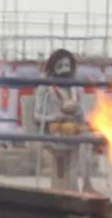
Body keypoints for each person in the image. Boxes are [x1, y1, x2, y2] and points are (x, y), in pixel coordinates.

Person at [33, 48, 93, 192]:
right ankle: (71, 187)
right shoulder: (45, 88)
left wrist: (78, 111)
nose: (64, 70)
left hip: (74, 128)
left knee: (89, 139)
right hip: (56, 130)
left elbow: (83, 114)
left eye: (67, 66)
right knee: (81, 141)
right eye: (60, 66)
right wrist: (54, 117)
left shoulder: (76, 88)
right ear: (53, 67)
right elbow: (37, 115)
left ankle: (86, 184)